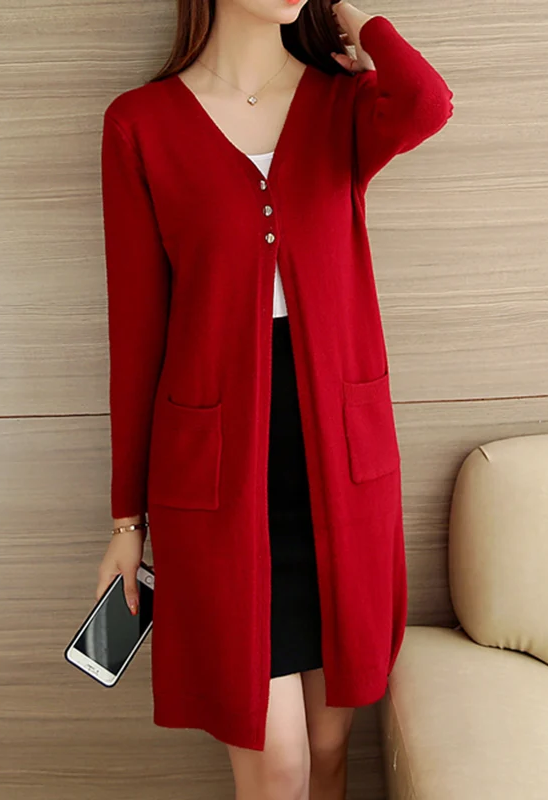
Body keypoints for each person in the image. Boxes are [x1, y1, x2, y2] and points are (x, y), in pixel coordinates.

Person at [94, 1, 453, 797]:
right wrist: (126, 521)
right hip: (220, 476)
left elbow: (427, 100)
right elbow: (136, 335)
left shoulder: (344, 103)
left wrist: (351, 21)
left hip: (338, 464)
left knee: (329, 748)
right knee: (278, 760)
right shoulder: (140, 125)